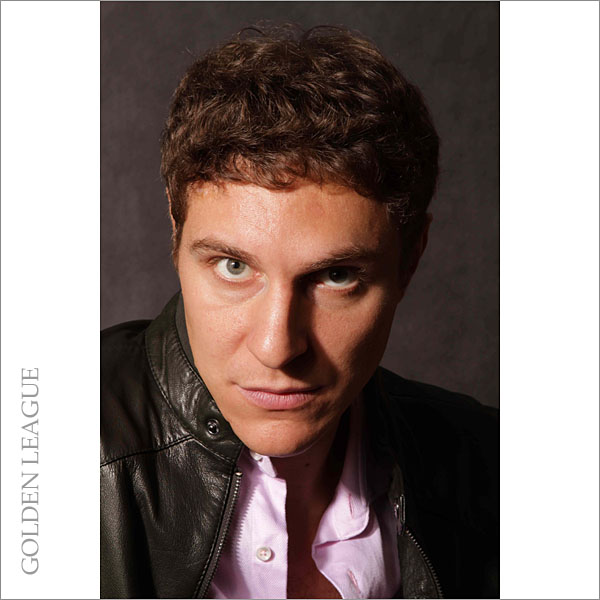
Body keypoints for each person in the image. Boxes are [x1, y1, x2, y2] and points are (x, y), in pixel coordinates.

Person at [100, 24, 499, 599]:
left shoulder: (491, 467)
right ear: (176, 229)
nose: (277, 347)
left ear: (411, 258)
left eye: (336, 277)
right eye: (233, 266)